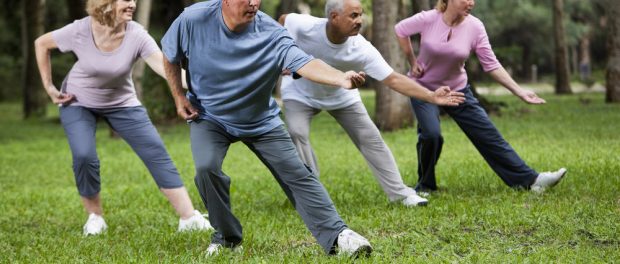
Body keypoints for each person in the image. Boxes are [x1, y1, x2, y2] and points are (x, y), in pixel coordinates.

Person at [161, 0, 381, 257]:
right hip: (210, 116)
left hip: (260, 120)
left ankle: (338, 235)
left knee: (298, 174)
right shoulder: (193, 19)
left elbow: (304, 62)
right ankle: (226, 237)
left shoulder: (272, 33)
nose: (255, 3)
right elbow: (170, 54)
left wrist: (339, 78)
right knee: (206, 168)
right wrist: (178, 96)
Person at [34, 0, 212, 235]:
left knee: (155, 151)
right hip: (77, 100)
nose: (132, 4)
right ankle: (95, 217)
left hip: (121, 102)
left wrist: (208, 82)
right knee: (84, 155)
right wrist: (49, 87)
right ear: (106, 3)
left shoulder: (136, 34)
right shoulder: (81, 29)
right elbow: (41, 43)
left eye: (134, 0)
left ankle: (189, 218)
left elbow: (163, 67)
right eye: (126, 0)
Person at [278, 0, 465, 208]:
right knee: (297, 132)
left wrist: (431, 96)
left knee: (372, 139)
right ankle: (310, 194)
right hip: (300, 93)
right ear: (334, 17)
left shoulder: (361, 48)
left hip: (342, 95)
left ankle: (401, 194)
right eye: (354, 16)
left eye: (361, 15)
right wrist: (284, 54)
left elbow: (393, 79)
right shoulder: (305, 25)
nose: (360, 21)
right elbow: (283, 21)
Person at [394, 0, 567, 195]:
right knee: (431, 135)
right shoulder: (428, 19)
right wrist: (412, 60)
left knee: (488, 135)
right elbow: (400, 30)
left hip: (457, 91)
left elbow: (491, 65)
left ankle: (532, 180)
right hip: (423, 89)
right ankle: (425, 185)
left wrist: (519, 91)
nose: (472, 2)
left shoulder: (475, 26)